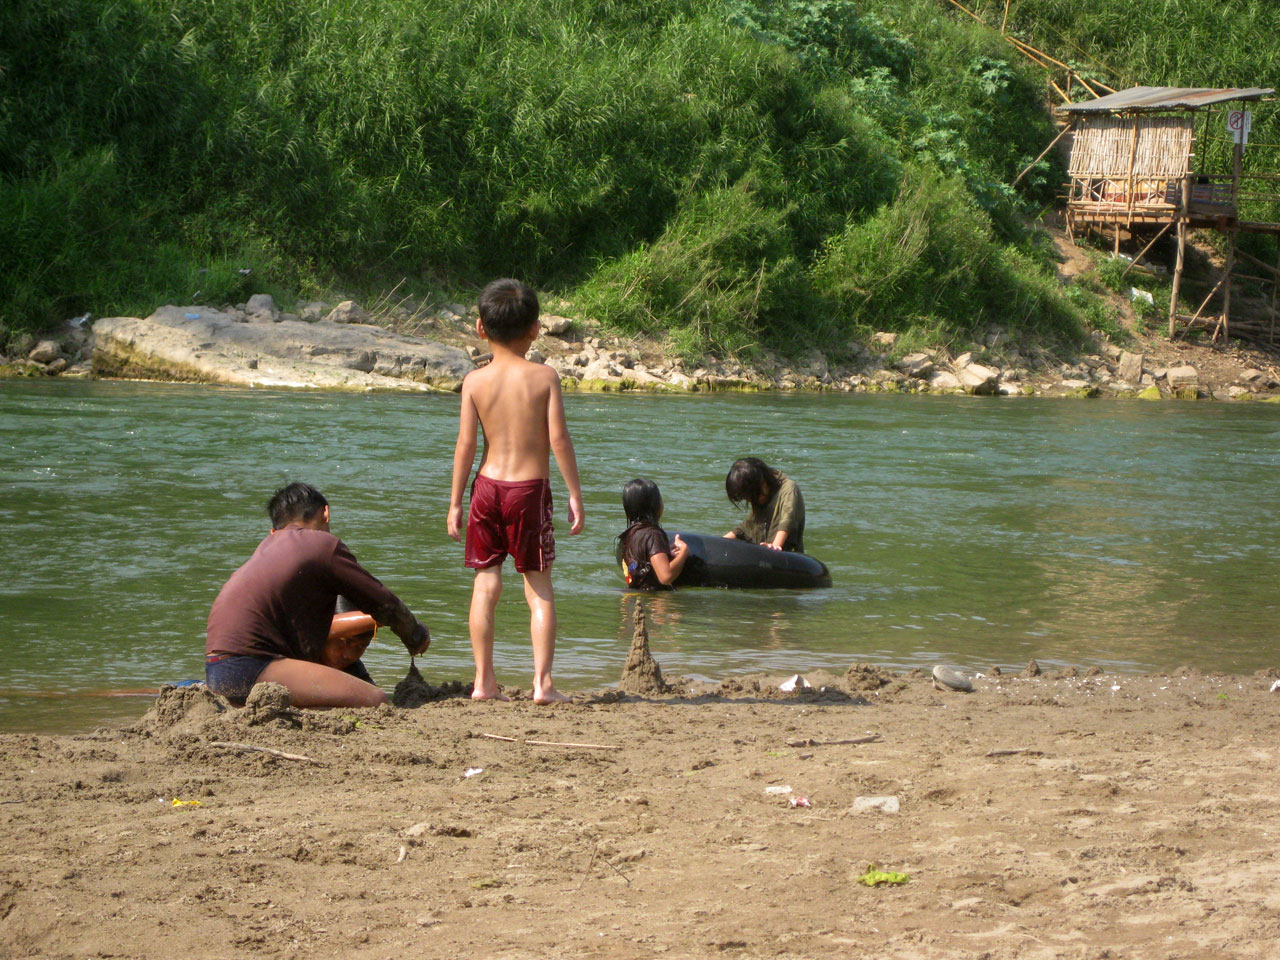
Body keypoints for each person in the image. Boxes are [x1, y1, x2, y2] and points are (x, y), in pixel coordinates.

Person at [447, 278, 584, 704]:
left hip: (486, 488)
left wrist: (454, 503)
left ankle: (483, 682)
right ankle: (542, 684)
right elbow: (558, 440)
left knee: (485, 585)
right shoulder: (544, 377)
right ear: (536, 329)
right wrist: (575, 494)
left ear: (480, 328)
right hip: (529, 490)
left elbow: (466, 446)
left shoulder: (474, 381)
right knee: (538, 587)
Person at [205, 483, 430, 707]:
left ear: (275, 529)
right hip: (249, 666)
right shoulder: (323, 544)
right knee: (376, 701)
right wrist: (415, 635)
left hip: (218, 668)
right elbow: (383, 603)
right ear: (326, 512)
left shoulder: (265, 549)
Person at [615, 478, 689, 590]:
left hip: (630, 603)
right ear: (654, 505)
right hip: (655, 604)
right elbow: (665, 577)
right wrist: (684, 551)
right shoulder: (653, 534)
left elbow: (640, 567)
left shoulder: (628, 536)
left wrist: (665, 553)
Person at [722, 457, 805, 553]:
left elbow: (787, 520)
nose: (749, 501)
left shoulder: (788, 489)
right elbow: (745, 529)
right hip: (762, 557)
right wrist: (719, 542)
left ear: (763, 483)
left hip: (786, 558)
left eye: (750, 497)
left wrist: (776, 545)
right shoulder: (760, 497)